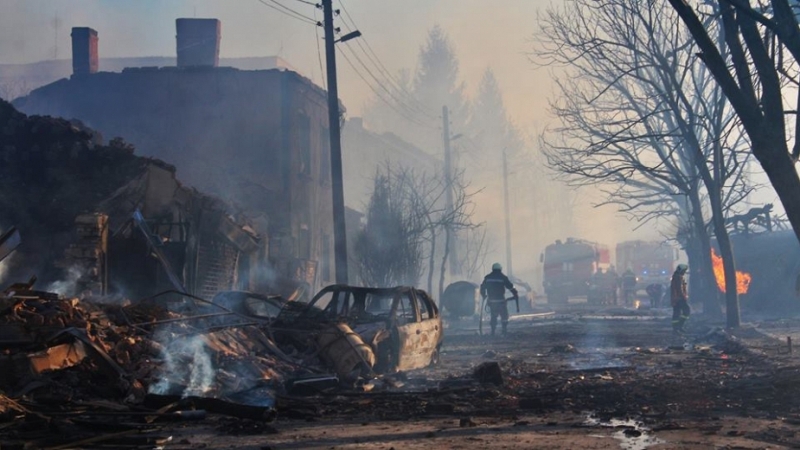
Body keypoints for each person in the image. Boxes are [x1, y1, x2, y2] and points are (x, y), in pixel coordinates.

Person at [480, 263, 518, 336]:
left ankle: (493, 332)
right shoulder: (503, 277)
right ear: (500, 269)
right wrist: (515, 293)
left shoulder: (487, 277)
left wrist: (484, 295)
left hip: (492, 301)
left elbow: (482, 287)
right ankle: (504, 331)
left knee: (493, 316)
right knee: (504, 316)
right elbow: (510, 286)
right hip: (501, 301)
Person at [670, 264, 690, 333]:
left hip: (676, 298)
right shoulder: (678, 277)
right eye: (684, 270)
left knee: (677, 313)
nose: (684, 272)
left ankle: (676, 328)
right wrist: (684, 297)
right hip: (679, 298)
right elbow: (679, 289)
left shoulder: (677, 276)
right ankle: (679, 326)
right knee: (687, 311)